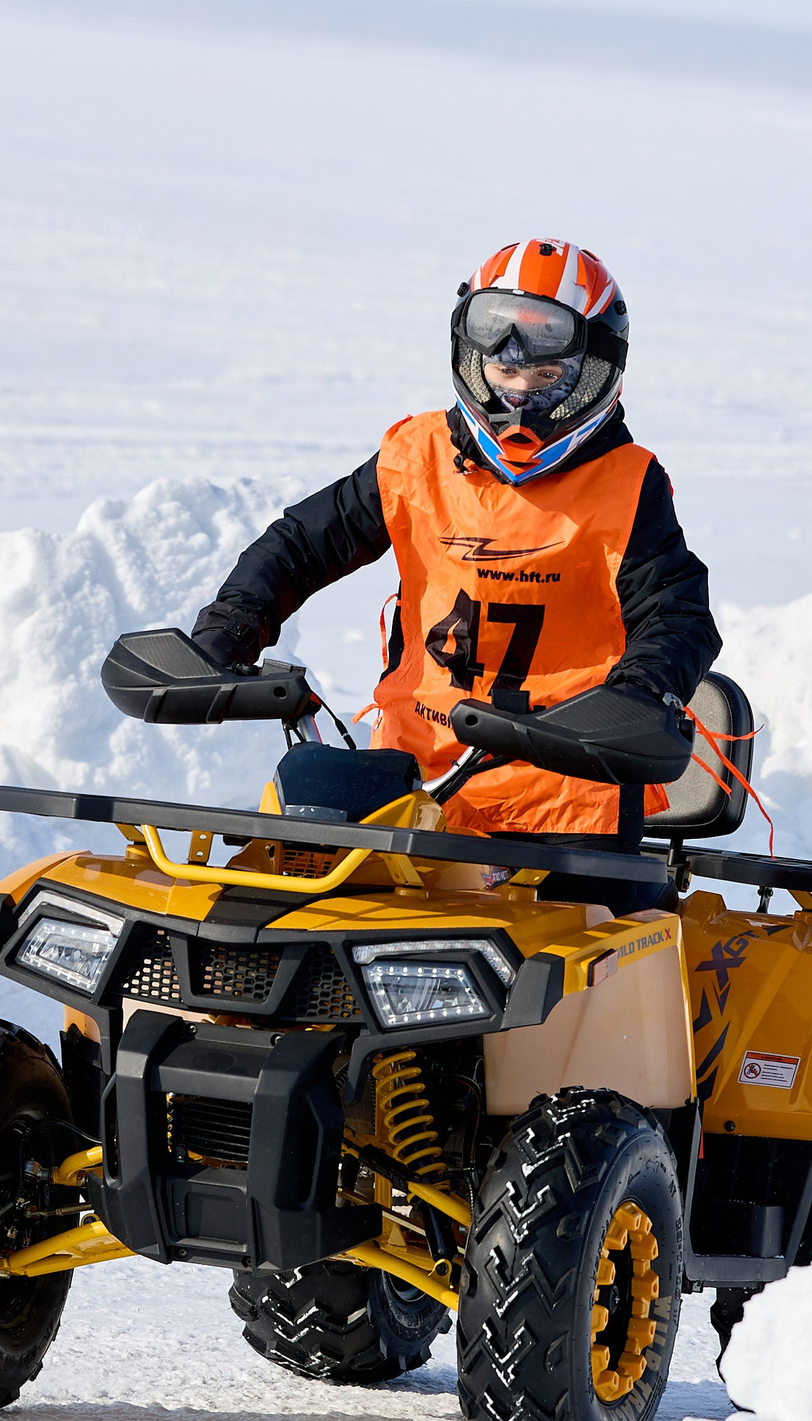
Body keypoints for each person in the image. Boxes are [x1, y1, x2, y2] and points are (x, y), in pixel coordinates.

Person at [190, 238, 721, 914]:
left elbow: (677, 613)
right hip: (412, 792)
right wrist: (231, 626)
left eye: (548, 375)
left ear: (593, 372)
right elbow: (301, 545)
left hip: (566, 802)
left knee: (572, 966)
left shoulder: (628, 485)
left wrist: (638, 694)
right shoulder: (416, 455)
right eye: (505, 369)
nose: (520, 392)